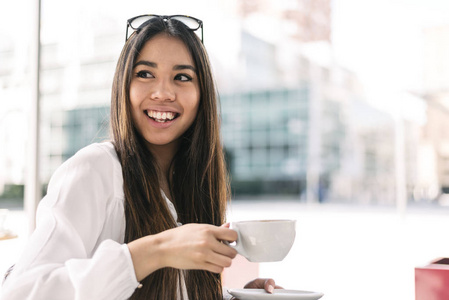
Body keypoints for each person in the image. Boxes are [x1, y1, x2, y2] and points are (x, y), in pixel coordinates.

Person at [1, 14, 281, 299]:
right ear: (124, 85)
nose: (163, 93)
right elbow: (21, 292)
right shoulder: (95, 170)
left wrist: (236, 296)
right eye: (145, 74)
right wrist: (155, 250)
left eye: (182, 77)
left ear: (202, 95)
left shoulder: (194, 181)